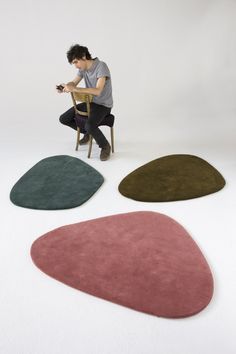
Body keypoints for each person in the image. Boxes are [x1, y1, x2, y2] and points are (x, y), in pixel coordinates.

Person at [58, 44, 113, 161]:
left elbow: (98, 91)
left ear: (83, 57)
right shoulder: (83, 69)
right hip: (91, 103)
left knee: (89, 125)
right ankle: (89, 133)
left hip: (103, 105)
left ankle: (105, 146)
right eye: (73, 63)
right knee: (63, 118)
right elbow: (74, 82)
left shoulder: (101, 66)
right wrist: (67, 86)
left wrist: (75, 89)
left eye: (76, 62)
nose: (75, 66)